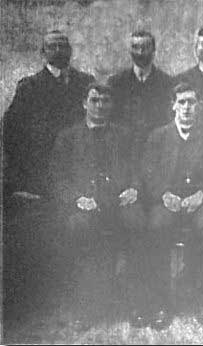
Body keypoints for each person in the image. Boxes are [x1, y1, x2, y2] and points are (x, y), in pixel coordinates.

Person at [2, 29, 95, 324]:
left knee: (79, 226)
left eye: (63, 44)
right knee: (30, 228)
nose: (58, 49)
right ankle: (28, 301)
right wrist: (25, 174)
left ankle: (77, 298)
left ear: (71, 51)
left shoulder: (84, 83)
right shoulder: (30, 87)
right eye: (52, 45)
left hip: (76, 174)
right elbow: (11, 131)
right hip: (40, 176)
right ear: (43, 53)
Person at [50, 83, 145, 330]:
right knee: (78, 227)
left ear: (111, 105)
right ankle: (85, 306)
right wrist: (77, 199)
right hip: (85, 205)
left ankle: (136, 304)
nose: (100, 106)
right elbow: (57, 178)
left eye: (105, 101)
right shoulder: (67, 136)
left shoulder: (124, 135)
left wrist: (134, 188)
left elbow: (138, 168)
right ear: (84, 103)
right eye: (94, 100)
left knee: (138, 222)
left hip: (119, 202)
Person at [142, 83, 203, 329]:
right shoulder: (158, 136)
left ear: (199, 105)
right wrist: (163, 194)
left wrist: (202, 194)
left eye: (192, 102)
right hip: (167, 201)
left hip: (200, 200)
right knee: (157, 226)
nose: (187, 107)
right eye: (182, 102)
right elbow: (148, 171)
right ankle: (161, 303)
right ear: (173, 106)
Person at [107, 30, 175, 165]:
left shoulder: (167, 83)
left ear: (154, 50)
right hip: (123, 149)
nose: (140, 52)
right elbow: (111, 117)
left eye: (145, 47)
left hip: (157, 149)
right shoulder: (116, 82)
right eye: (135, 47)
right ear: (129, 50)